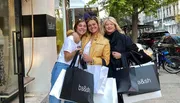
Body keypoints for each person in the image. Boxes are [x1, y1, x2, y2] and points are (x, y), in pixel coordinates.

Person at [49, 19, 87, 103]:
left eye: (84, 26)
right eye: (80, 25)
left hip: (74, 68)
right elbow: (67, 57)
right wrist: (76, 51)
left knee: (71, 96)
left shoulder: (81, 40)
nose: (82, 28)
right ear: (76, 27)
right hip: (62, 67)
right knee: (56, 93)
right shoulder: (70, 38)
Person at [102, 16, 133, 103]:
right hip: (106, 71)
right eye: (106, 24)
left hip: (121, 70)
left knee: (121, 95)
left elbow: (133, 52)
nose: (109, 26)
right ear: (104, 27)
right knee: (108, 95)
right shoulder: (101, 39)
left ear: (115, 25)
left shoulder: (124, 38)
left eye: (111, 24)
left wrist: (121, 55)